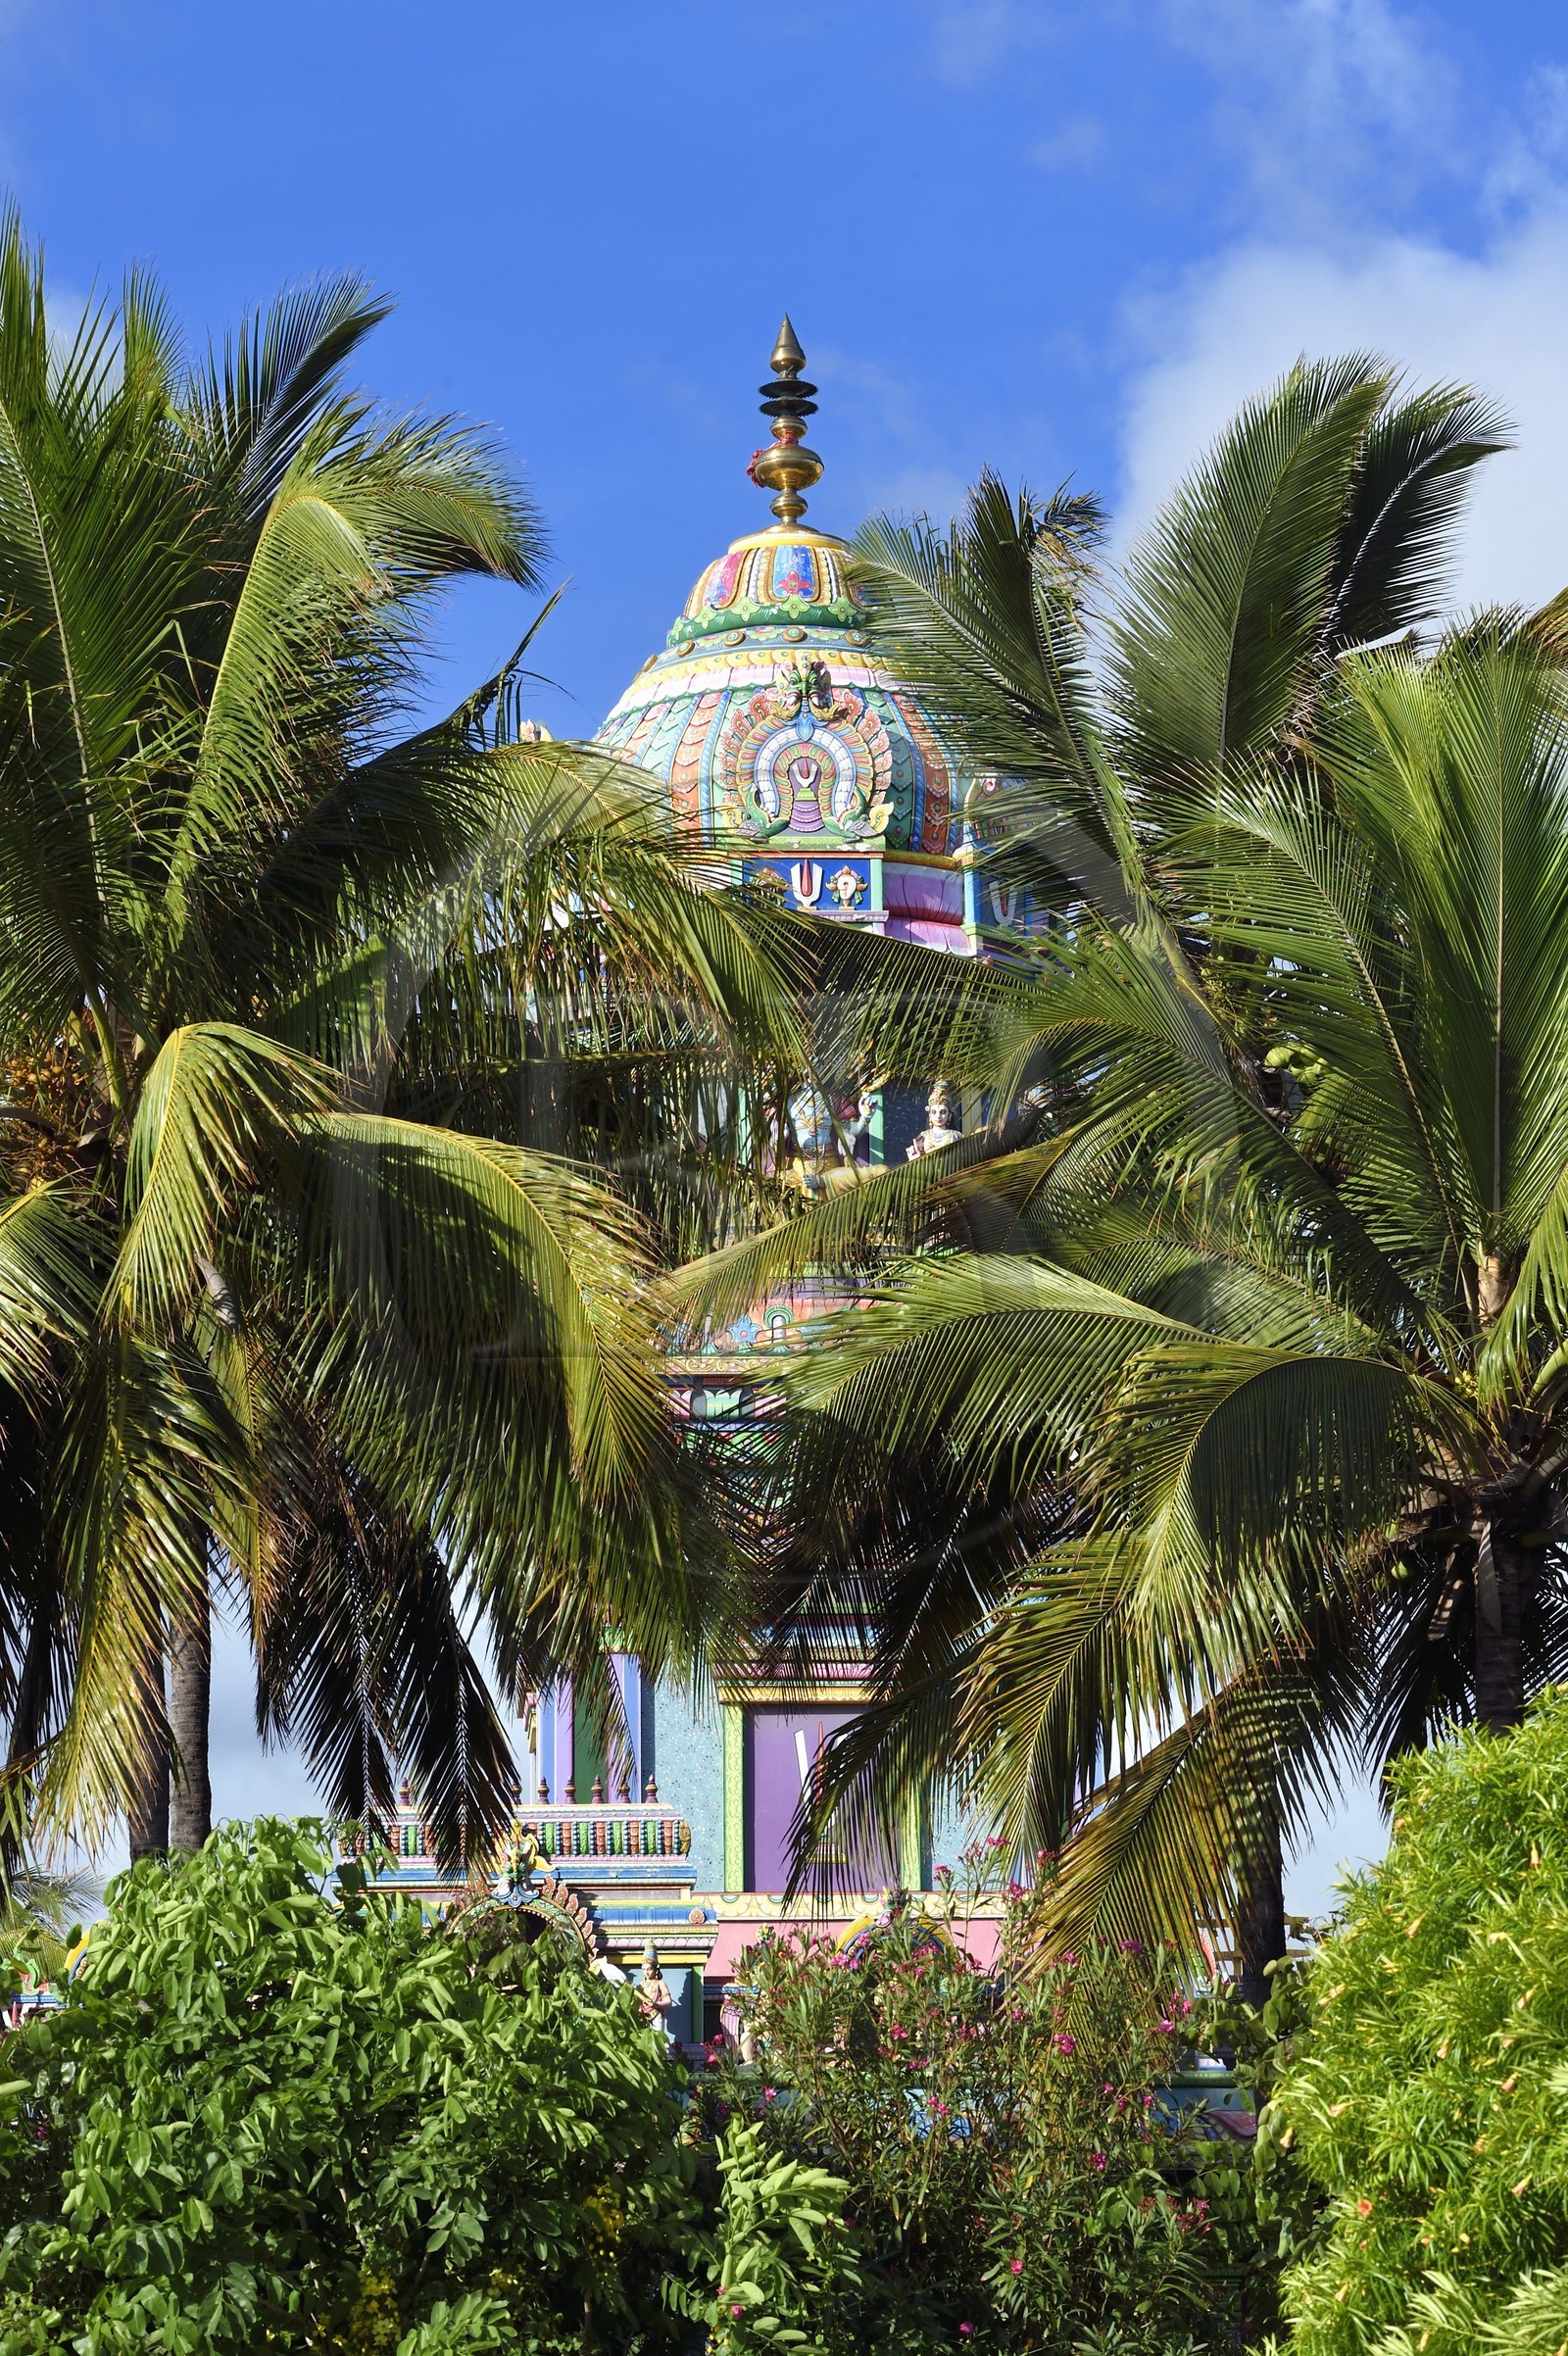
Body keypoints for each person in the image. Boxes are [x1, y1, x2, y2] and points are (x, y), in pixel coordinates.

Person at [906, 1081, 963, 1160]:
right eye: (934, 1112)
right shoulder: (923, 1136)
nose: (938, 1116)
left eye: (943, 1112)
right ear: (929, 1115)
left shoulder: (956, 1135)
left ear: (949, 1115)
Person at [637, 1945, 673, 2041]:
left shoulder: (660, 1983)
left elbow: (668, 2001)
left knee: (657, 2041)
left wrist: (655, 2004)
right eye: (644, 1969)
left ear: (655, 1969)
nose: (647, 1972)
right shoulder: (641, 1985)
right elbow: (637, 2000)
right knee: (645, 2041)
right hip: (643, 2015)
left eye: (649, 1969)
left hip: (656, 2014)